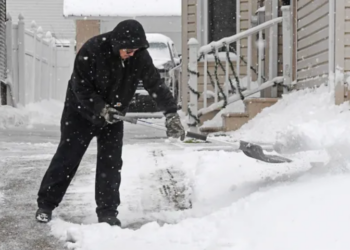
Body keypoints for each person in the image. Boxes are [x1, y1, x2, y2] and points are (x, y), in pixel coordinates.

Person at [35, 20, 185, 227]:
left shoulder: (139, 55)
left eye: (135, 51)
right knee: (68, 158)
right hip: (80, 113)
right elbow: (81, 87)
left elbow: (155, 84)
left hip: (115, 115)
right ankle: (46, 205)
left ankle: (107, 213)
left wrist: (171, 113)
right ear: (117, 44)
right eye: (128, 50)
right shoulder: (92, 50)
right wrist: (102, 109)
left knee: (111, 164)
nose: (131, 54)